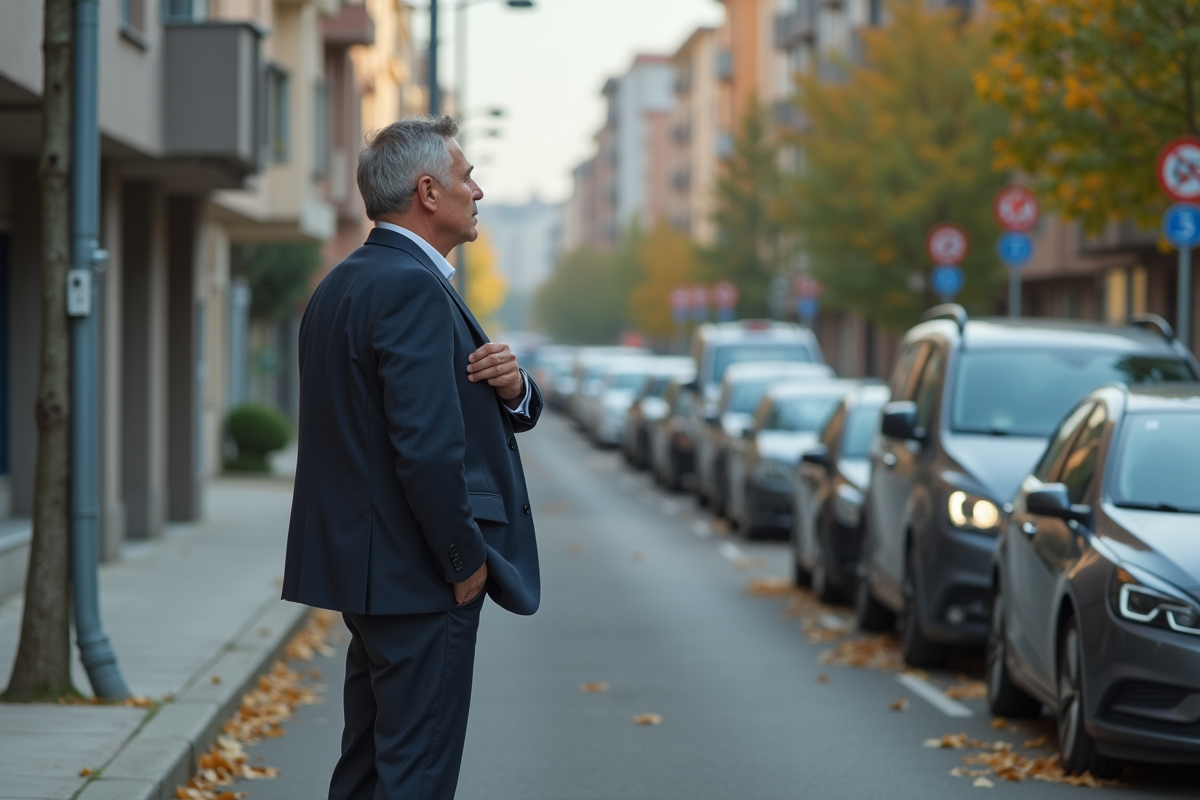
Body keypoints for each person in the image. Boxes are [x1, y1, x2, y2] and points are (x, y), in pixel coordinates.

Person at [282, 115, 542, 800]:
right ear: (428, 192)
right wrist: (464, 560)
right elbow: (426, 449)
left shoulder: (342, 284)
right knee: (415, 776)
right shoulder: (412, 287)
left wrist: (515, 390)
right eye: (467, 177)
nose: (477, 191)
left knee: (369, 766)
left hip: (372, 572)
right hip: (418, 573)